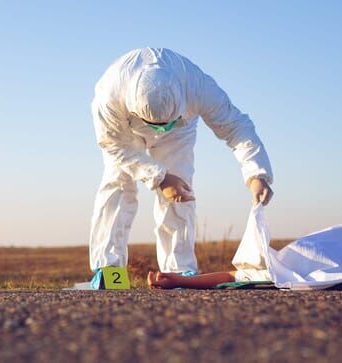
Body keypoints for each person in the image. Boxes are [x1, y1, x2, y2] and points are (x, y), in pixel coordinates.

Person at [89, 48, 274, 287]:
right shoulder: (109, 95)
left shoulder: (199, 88)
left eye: (165, 123)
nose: (159, 130)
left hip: (180, 129)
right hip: (125, 132)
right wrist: (159, 177)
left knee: (181, 191)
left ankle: (178, 270)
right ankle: (109, 270)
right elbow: (113, 146)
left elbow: (236, 127)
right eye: (156, 125)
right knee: (118, 183)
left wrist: (256, 173)